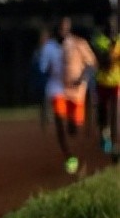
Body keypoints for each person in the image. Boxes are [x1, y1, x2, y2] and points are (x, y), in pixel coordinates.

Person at [39, 17, 98, 174]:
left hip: (76, 91)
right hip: (57, 87)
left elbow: (92, 64)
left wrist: (83, 77)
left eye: (64, 28)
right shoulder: (49, 47)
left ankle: (78, 147)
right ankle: (69, 155)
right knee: (59, 119)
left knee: (74, 126)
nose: (62, 31)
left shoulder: (78, 43)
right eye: (59, 28)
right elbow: (43, 69)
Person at [90, 15, 119, 160]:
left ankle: (114, 145)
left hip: (116, 83)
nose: (111, 29)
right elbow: (104, 62)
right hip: (102, 82)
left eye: (114, 27)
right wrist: (111, 49)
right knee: (103, 113)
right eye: (109, 26)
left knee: (115, 114)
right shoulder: (99, 40)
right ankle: (104, 133)